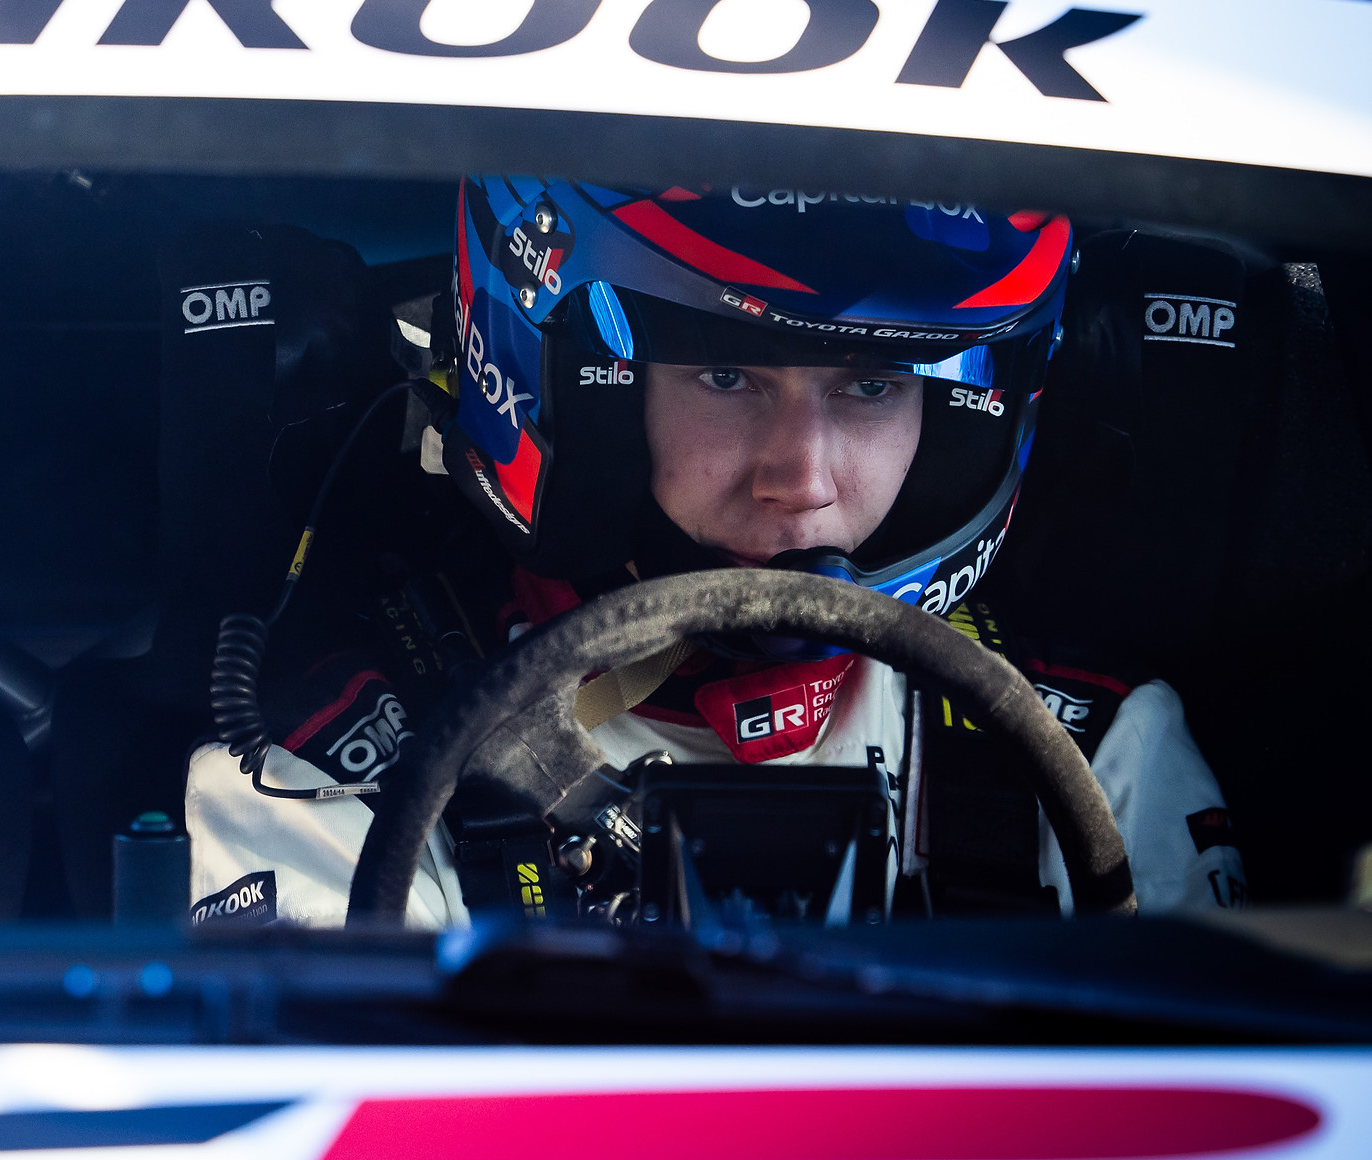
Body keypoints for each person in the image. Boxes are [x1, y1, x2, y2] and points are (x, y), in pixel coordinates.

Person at [185, 177, 1246, 928]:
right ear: (579, 393)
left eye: (872, 387)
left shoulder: (1098, 753)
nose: (803, 476)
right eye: (728, 378)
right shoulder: (323, 776)